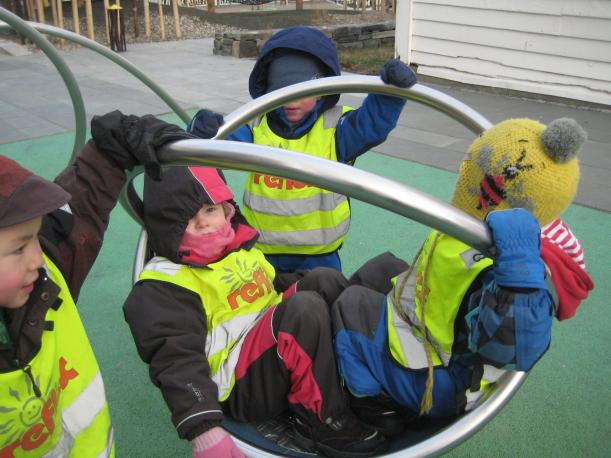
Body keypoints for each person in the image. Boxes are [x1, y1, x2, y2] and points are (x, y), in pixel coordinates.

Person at [330, 118, 595, 436]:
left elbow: (514, 344)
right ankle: (354, 348)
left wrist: (519, 268)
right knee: (381, 269)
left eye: (473, 163)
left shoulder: (516, 264)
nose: (464, 166)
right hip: (434, 331)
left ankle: (376, 404)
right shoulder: (481, 223)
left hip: (446, 381)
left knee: (351, 305)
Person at [120, 150, 389, 457]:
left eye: (209, 210)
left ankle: (364, 383)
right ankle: (321, 422)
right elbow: (174, 358)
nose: (204, 223)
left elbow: (271, 287)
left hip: (269, 342)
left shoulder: (236, 249)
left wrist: (314, 282)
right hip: (239, 383)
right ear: (167, 227)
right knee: (304, 311)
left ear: (226, 209)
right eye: (187, 220)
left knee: (324, 279)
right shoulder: (166, 284)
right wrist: (202, 429)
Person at [0, 110, 195, 457]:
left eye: (34, 239)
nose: (38, 259)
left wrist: (116, 140)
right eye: (18, 248)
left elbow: (77, 208)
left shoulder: (44, 276)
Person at [188, 26, 418, 276]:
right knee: (263, 308)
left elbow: (371, 125)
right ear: (268, 91)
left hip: (319, 254)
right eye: (282, 91)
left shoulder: (335, 129)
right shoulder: (256, 126)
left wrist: (389, 96)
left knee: (321, 305)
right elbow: (216, 145)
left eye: (302, 92)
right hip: (263, 250)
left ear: (321, 92)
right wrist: (203, 128)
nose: (292, 101)